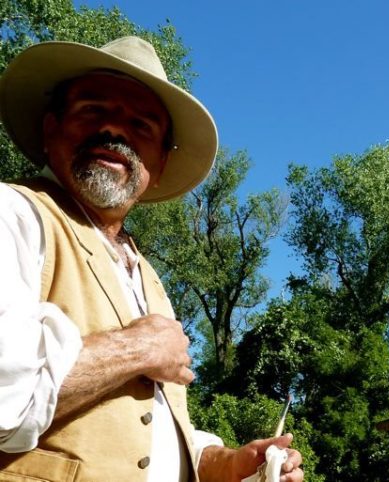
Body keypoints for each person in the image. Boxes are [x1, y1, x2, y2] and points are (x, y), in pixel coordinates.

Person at [0, 36, 303, 482]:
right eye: (92, 110)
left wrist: (229, 464)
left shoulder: (144, 271)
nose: (116, 131)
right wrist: (137, 348)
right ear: (50, 129)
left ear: (157, 164)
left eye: (141, 125)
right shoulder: (14, 213)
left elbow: (152, 432)